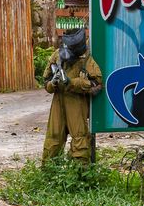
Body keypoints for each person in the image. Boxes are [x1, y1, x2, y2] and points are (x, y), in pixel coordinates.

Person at [42, 28, 102, 163]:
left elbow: (97, 84)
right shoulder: (57, 56)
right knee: (52, 142)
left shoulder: (87, 59)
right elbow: (46, 83)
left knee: (80, 143)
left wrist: (72, 83)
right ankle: (49, 179)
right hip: (58, 103)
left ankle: (79, 179)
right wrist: (53, 82)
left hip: (77, 104)